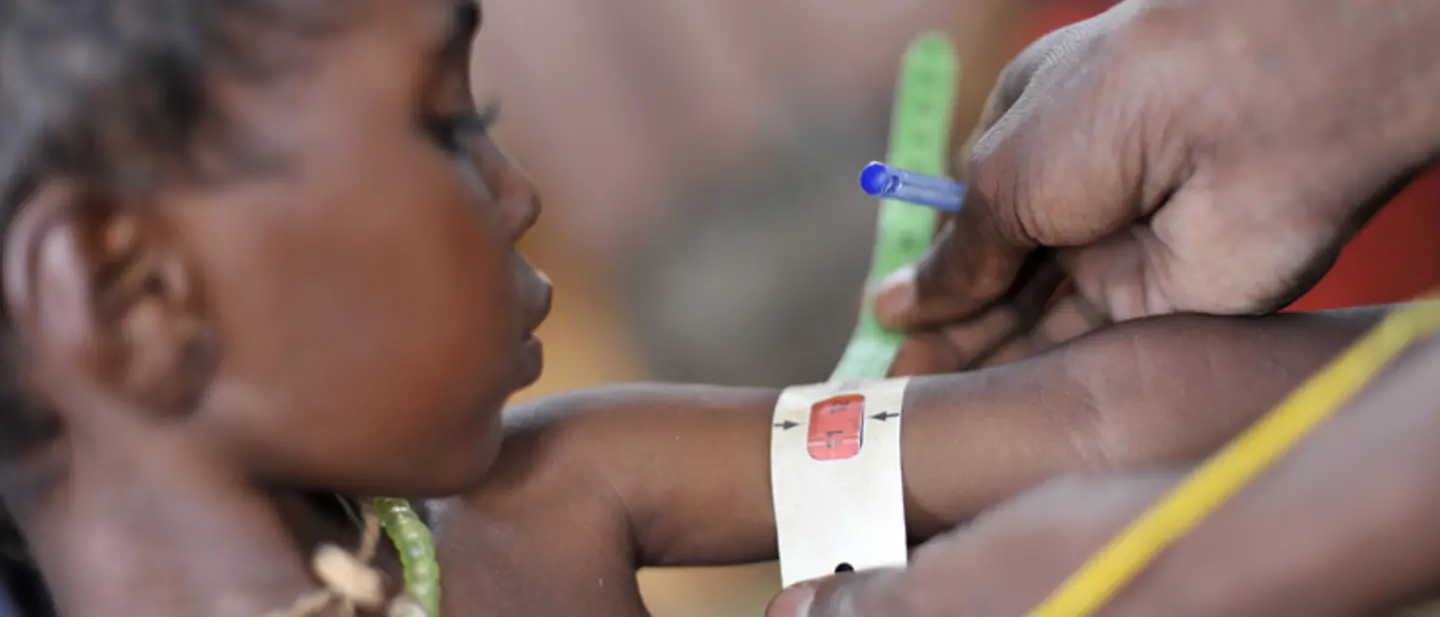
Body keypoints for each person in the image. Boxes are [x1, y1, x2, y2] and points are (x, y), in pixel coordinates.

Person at [0, 2, 1432, 617]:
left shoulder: (544, 503)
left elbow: (1084, 413)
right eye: (449, 124)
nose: (517, 193)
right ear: (127, 295)